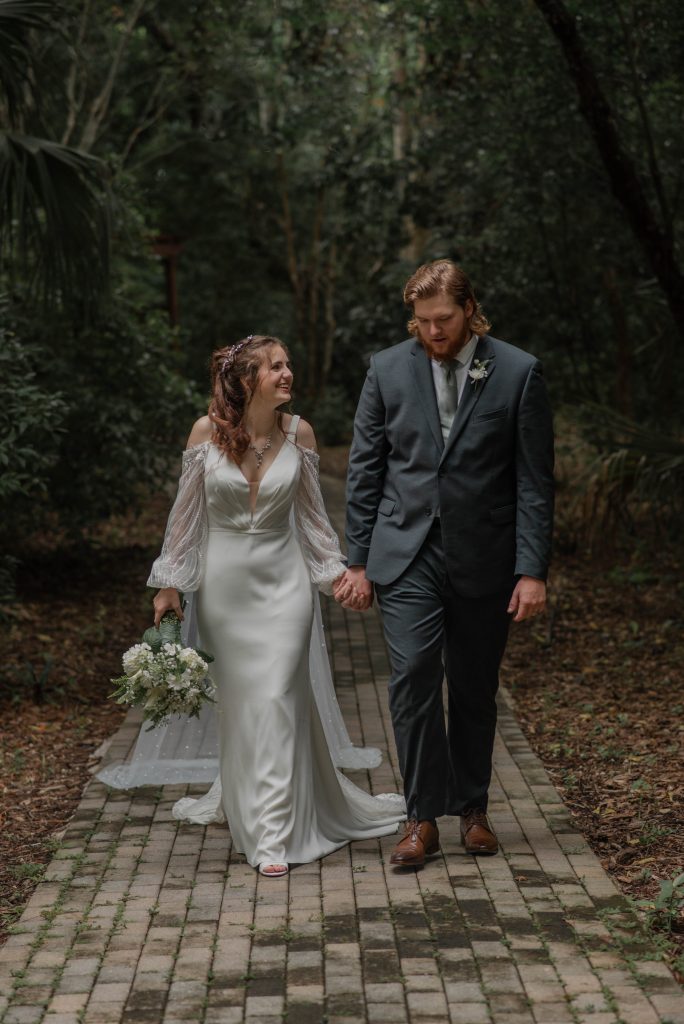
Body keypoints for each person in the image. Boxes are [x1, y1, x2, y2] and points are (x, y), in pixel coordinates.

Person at [147, 335, 405, 877]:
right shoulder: (205, 434)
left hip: (285, 587)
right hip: (224, 592)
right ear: (246, 380)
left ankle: (272, 834)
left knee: (279, 694)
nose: (288, 373)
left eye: (288, 363)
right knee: (245, 708)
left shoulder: (299, 433)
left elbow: (312, 518)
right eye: (276, 366)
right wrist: (168, 584)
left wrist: (340, 576)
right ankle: (257, 806)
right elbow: (185, 516)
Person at [334, 260, 554, 866]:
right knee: (413, 682)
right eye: (423, 321)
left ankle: (473, 808)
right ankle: (420, 817)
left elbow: (534, 481)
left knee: (476, 687)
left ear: (469, 311)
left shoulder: (517, 372)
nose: (433, 331)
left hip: (486, 557)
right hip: (405, 555)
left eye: (444, 319)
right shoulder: (385, 369)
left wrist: (532, 569)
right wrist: (357, 560)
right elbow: (365, 470)